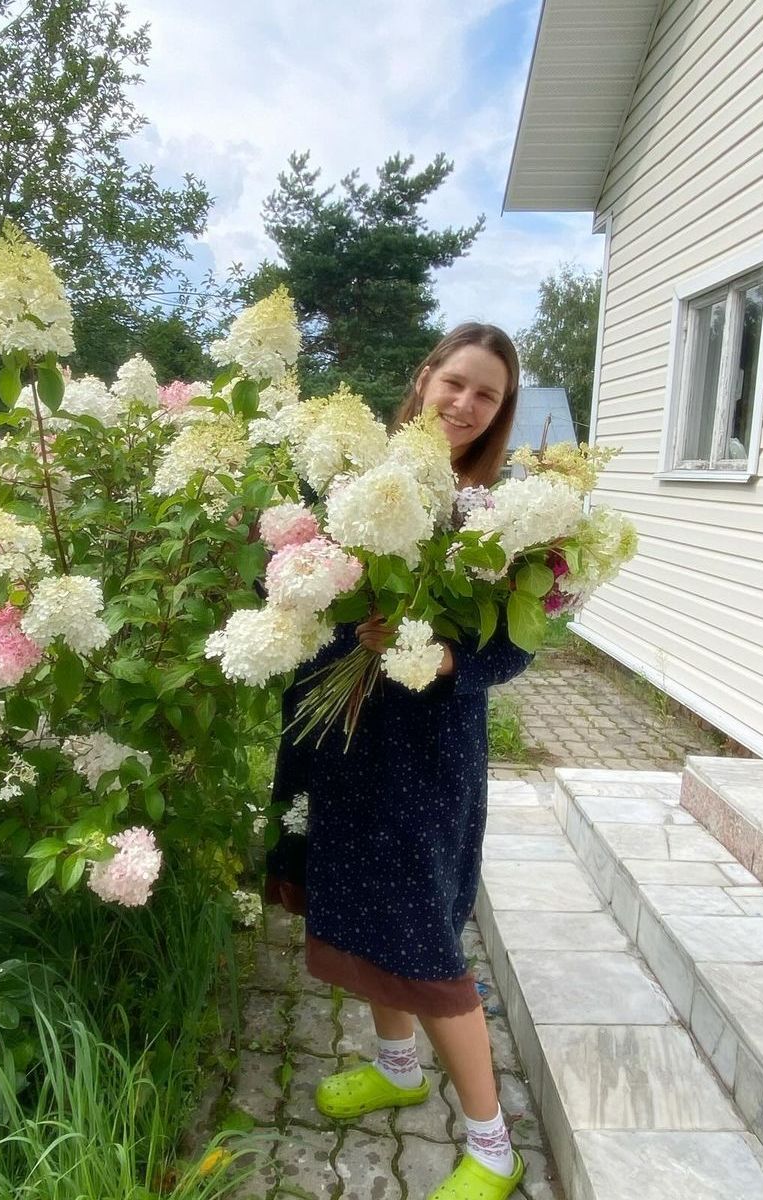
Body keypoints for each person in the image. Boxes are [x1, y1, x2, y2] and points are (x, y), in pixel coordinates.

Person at [265, 324, 532, 1200]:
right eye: (454, 382)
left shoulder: (498, 512)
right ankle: (396, 1065)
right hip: (338, 737)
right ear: (424, 379)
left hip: (424, 750)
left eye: (485, 395)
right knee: (354, 906)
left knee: (420, 932)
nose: (463, 404)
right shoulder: (354, 478)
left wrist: (449, 657)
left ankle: (493, 1146)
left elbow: (524, 644)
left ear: (500, 412)